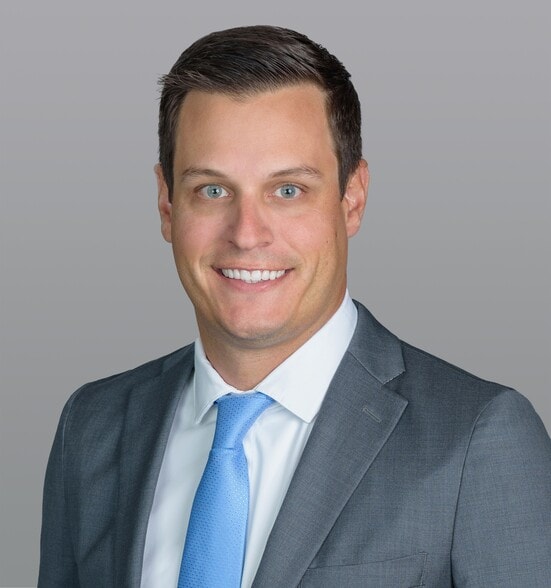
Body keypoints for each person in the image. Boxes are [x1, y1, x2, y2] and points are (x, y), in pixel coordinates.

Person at [38, 25, 551, 588]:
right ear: (166, 204)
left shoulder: (477, 438)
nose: (246, 233)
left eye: (288, 190)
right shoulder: (93, 426)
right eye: (212, 190)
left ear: (352, 199)